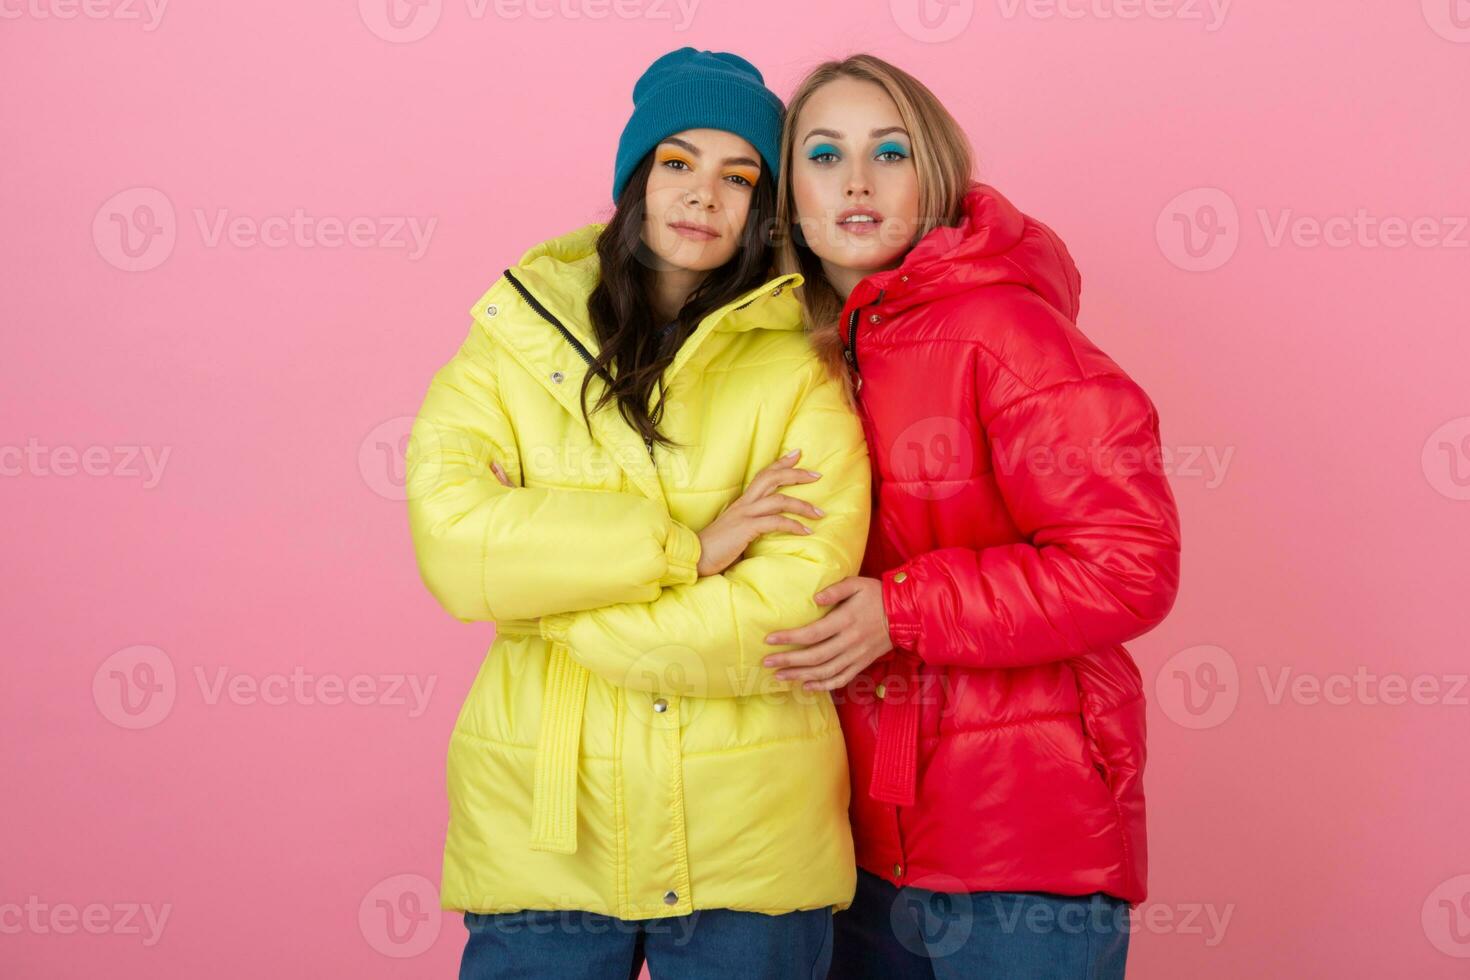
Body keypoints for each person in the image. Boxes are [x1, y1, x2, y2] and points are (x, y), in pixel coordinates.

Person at [405, 47, 873, 979]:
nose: (705, 195)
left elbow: (796, 603)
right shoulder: (512, 338)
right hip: (545, 825)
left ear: (762, 207)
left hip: (750, 832)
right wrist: (684, 551)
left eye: (739, 176)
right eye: (677, 163)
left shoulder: (799, 362)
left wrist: (557, 604)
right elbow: (455, 541)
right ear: (634, 179)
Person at [760, 54, 1183, 979]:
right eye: (825, 154)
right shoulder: (809, 350)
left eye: (892, 152)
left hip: (1024, 844)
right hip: (858, 839)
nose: (859, 181)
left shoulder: (1005, 333)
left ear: (937, 176)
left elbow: (1126, 564)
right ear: (788, 192)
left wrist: (899, 609)